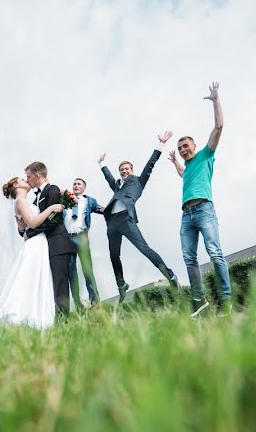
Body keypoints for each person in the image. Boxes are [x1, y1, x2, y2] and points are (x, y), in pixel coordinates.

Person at [167, 81, 232, 317]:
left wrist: (216, 101)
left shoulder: (206, 155)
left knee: (214, 252)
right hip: (187, 215)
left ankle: (226, 301)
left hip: (204, 209)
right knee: (188, 258)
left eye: (185, 146)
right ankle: (199, 300)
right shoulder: (187, 167)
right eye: (180, 148)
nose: (183, 149)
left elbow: (219, 126)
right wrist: (175, 160)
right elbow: (182, 173)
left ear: (194, 145)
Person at [98, 132, 181, 302]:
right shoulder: (117, 186)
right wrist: (102, 164)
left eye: (127, 169)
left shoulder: (138, 181)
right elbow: (109, 179)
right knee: (114, 255)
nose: (124, 171)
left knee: (144, 249)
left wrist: (160, 145)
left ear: (132, 170)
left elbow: (150, 165)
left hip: (126, 220)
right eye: (122, 170)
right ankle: (121, 285)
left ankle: (170, 276)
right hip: (112, 222)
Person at [0, 177, 66, 328]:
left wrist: (21, 228)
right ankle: (23, 314)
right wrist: (51, 209)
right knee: (30, 276)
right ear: (17, 185)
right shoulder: (20, 201)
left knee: (36, 276)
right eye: (23, 179)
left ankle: (35, 312)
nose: (27, 180)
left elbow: (25, 226)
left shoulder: (24, 201)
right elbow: (33, 222)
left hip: (38, 241)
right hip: (35, 243)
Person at [24, 162, 77, 316]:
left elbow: (53, 219)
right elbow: (36, 220)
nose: (27, 180)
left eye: (28, 176)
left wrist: (31, 233)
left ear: (37, 175)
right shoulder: (35, 200)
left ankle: (63, 319)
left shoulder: (52, 189)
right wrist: (23, 229)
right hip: (45, 245)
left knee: (60, 283)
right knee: (48, 282)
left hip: (58, 243)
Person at [64, 177, 103, 307]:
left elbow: (102, 209)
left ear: (84, 187)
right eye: (74, 184)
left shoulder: (89, 201)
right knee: (71, 271)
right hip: (67, 238)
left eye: (79, 184)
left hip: (81, 237)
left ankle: (95, 302)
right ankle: (77, 303)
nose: (76, 186)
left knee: (87, 269)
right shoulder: (65, 200)